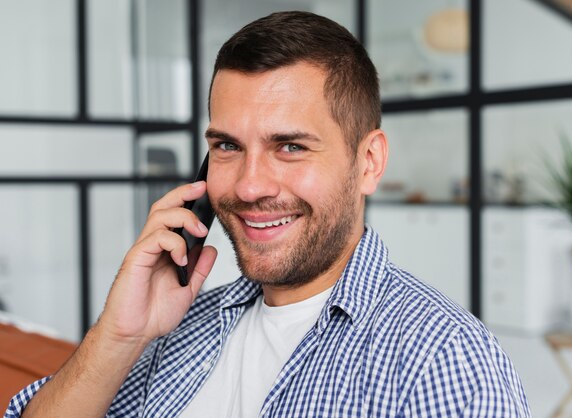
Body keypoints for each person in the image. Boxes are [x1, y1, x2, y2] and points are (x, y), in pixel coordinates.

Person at [6, 11, 530, 418]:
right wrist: (122, 336)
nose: (250, 185)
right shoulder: (182, 326)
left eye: (291, 147)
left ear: (368, 163)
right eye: (228, 147)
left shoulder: (440, 358)